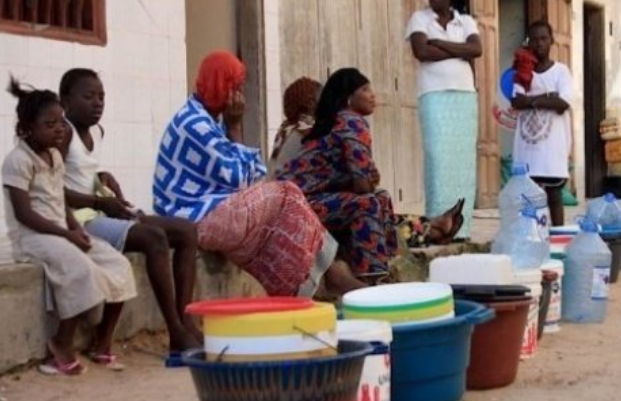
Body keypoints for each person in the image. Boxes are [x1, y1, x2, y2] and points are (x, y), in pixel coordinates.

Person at [153, 51, 364, 298]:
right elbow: (245, 180)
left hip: (212, 209)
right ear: (222, 85)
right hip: (194, 220)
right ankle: (331, 276)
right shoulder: (195, 123)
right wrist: (235, 127)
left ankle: (316, 283)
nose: (240, 97)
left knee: (277, 220)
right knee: (286, 193)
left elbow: (251, 175)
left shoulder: (210, 118)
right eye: (237, 88)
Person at [57, 68, 201, 352]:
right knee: (154, 239)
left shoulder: (96, 132)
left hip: (101, 211)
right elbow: (54, 189)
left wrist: (102, 178)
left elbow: (80, 172)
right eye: (89, 96)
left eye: (102, 97)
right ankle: (175, 332)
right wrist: (98, 202)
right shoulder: (63, 134)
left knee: (187, 231)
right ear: (66, 101)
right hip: (82, 221)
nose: (98, 103)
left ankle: (187, 322)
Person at [2, 77, 137, 375]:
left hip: (60, 232)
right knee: (81, 268)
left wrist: (76, 228)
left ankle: (102, 343)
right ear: (26, 130)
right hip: (32, 237)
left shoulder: (53, 156)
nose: (60, 129)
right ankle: (61, 344)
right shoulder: (17, 162)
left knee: (118, 264)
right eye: (50, 125)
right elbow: (24, 214)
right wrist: (66, 235)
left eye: (61, 122)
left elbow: (58, 200)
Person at [278, 68, 464, 279]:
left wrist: (366, 179)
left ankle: (391, 265)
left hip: (300, 201)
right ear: (348, 98)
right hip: (297, 206)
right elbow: (363, 185)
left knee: (380, 198)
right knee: (368, 203)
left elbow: (361, 178)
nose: (373, 95)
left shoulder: (326, 123)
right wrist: (366, 179)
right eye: (365, 89)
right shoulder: (350, 121)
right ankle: (371, 279)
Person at [406, 0, 482, 240]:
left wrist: (438, 43)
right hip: (433, 94)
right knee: (438, 159)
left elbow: (476, 50)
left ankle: (462, 228)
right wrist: (459, 48)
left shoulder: (466, 21)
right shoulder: (419, 18)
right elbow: (421, 52)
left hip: (465, 96)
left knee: (463, 162)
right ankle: (436, 227)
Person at [511, 21, 573, 226]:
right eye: (534, 39)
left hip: (552, 149)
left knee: (554, 196)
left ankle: (557, 241)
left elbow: (562, 103)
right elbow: (517, 102)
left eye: (544, 38)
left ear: (552, 41)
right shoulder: (523, 72)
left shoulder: (561, 72)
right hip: (528, 149)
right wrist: (546, 97)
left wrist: (532, 100)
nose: (539, 44)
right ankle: (531, 239)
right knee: (529, 199)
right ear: (528, 42)